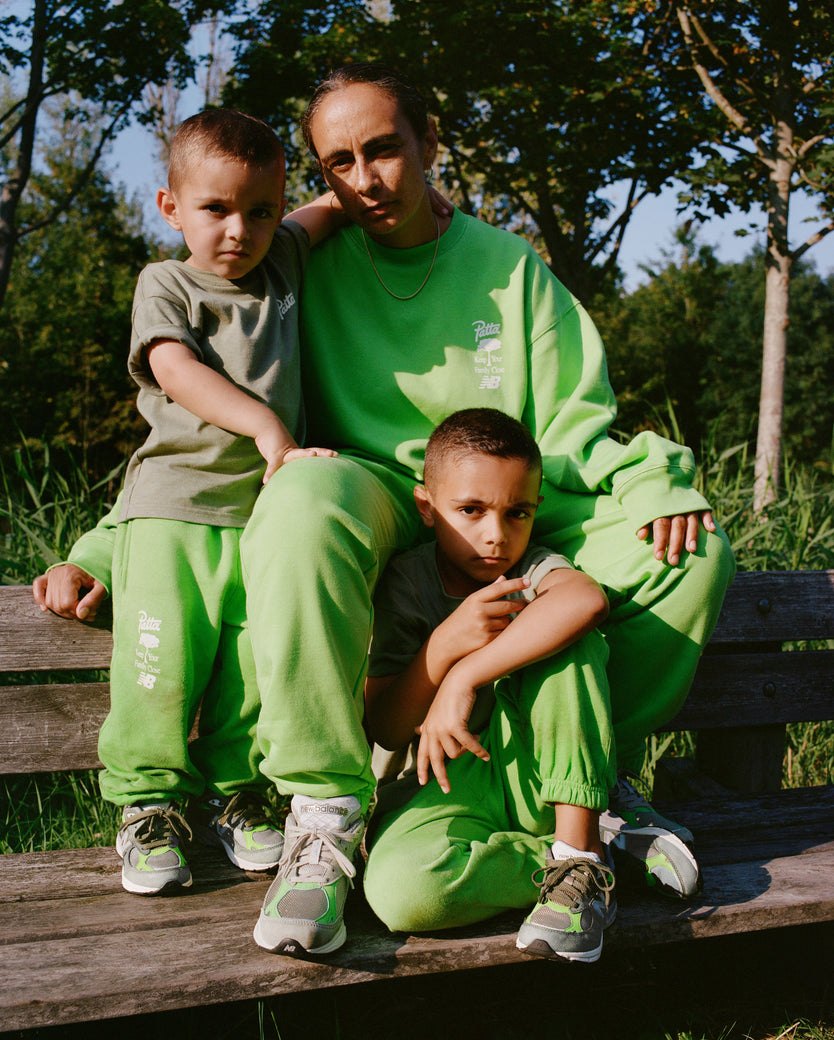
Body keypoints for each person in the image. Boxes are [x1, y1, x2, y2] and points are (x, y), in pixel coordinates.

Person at [35, 64, 735, 954]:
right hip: (373, 495)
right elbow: (196, 437)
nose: (365, 180)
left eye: (383, 150)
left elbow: (575, 423)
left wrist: (656, 478)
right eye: (339, 162)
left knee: (687, 553)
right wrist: (104, 548)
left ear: (428, 142)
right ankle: (325, 812)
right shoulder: (289, 264)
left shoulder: (510, 269)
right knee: (299, 494)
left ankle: (581, 791)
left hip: (499, 502)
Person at [48, 108, 343, 897]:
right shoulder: (167, 282)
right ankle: (148, 807)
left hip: (264, 519)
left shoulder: (282, 262)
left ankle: (235, 796)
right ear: (171, 207)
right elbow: (174, 370)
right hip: (173, 511)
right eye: (215, 208)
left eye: (261, 210)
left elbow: (329, 208)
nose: (239, 230)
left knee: (253, 668)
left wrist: (412, 196)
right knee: (160, 669)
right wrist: (268, 428)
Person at [365, 407, 624, 962]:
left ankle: (577, 852)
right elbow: (385, 728)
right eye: (471, 510)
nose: (496, 535)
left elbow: (585, 600)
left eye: (518, 513)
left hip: (537, 781)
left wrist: (466, 675)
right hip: (442, 788)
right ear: (426, 507)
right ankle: (590, 862)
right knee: (402, 893)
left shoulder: (533, 571)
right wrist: (443, 646)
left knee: (572, 640)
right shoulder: (407, 583)